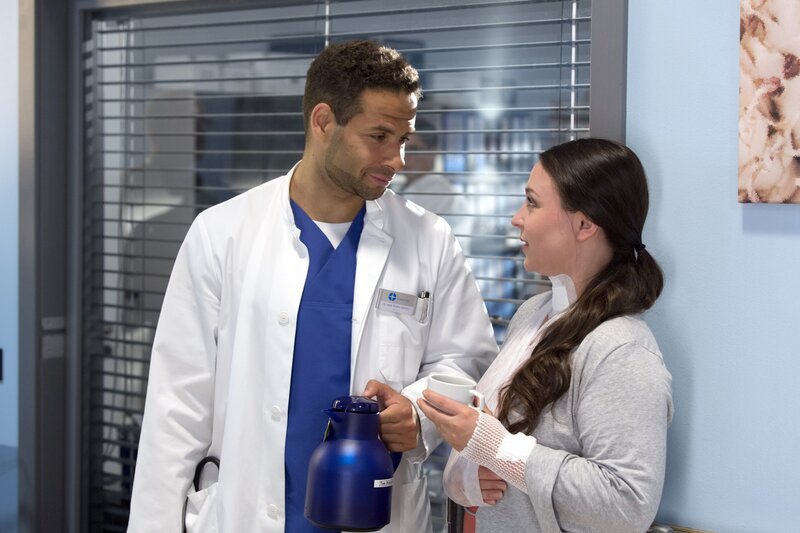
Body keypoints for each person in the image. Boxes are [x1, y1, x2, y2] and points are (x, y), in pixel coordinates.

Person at [127, 39, 498, 533]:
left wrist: (417, 413)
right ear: (323, 121)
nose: (397, 159)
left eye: (404, 138)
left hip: (377, 510)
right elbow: (177, 404)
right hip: (244, 512)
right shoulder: (223, 233)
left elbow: (466, 361)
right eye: (379, 136)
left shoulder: (429, 239)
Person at [417, 138, 673, 532]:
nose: (516, 218)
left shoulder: (621, 350)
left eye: (532, 203)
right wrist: (467, 474)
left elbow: (626, 507)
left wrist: (498, 447)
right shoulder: (533, 316)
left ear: (585, 224)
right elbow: (504, 462)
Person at [394, 117, 472, 253]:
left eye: (414, 149)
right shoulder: (405, 187)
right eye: (402, 149)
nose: (405, 157)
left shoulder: (439, 194)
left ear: (432, 152)